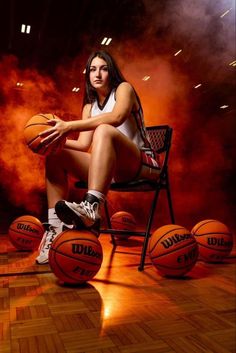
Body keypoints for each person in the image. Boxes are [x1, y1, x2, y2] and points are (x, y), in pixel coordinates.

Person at [36, 50, 161, 265]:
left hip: (141, 164)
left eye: (103, 68)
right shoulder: (89, 106)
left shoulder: (124, 89)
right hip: (109, 169)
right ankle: (55, 230)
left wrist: (69, 126)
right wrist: (52, 138)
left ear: (111, 71)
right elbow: (84, 145)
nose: (98, 74)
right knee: (55, 154)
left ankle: (91, 207)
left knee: (104, 129)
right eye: (92, 69)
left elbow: (116, 117)